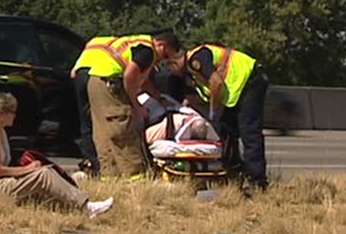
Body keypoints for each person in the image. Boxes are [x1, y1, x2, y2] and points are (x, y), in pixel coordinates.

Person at [0, 92, 115, 218]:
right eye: (12, 112)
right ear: (2, 113)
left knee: (40, 179)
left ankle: (68, 205)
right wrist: (29, 169)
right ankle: (86, 206)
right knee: (43, 174)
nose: (14, 116)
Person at [69, 30, 179, 177]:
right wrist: (135, 105)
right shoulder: (148, 51)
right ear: (160, 44)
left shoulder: (136, 43)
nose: (162, 61)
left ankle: (109, 175)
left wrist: (158, 97)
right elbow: (129, 75)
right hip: (109, 82)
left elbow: (144, 81)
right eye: (165, 55)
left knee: (102, 132)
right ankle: (134, 176)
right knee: (122, 127)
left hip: (95, 81)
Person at [166, 43, 269, 191]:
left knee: (249, 132)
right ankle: (234, 173)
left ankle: (257, 182)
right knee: (225, 131)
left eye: (168, 67)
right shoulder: (188, 73)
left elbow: (216, 83)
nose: (170, 72)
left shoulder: (196, 59)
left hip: (250, 80)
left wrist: (213, 111)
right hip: (236, 91)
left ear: (175, 61)